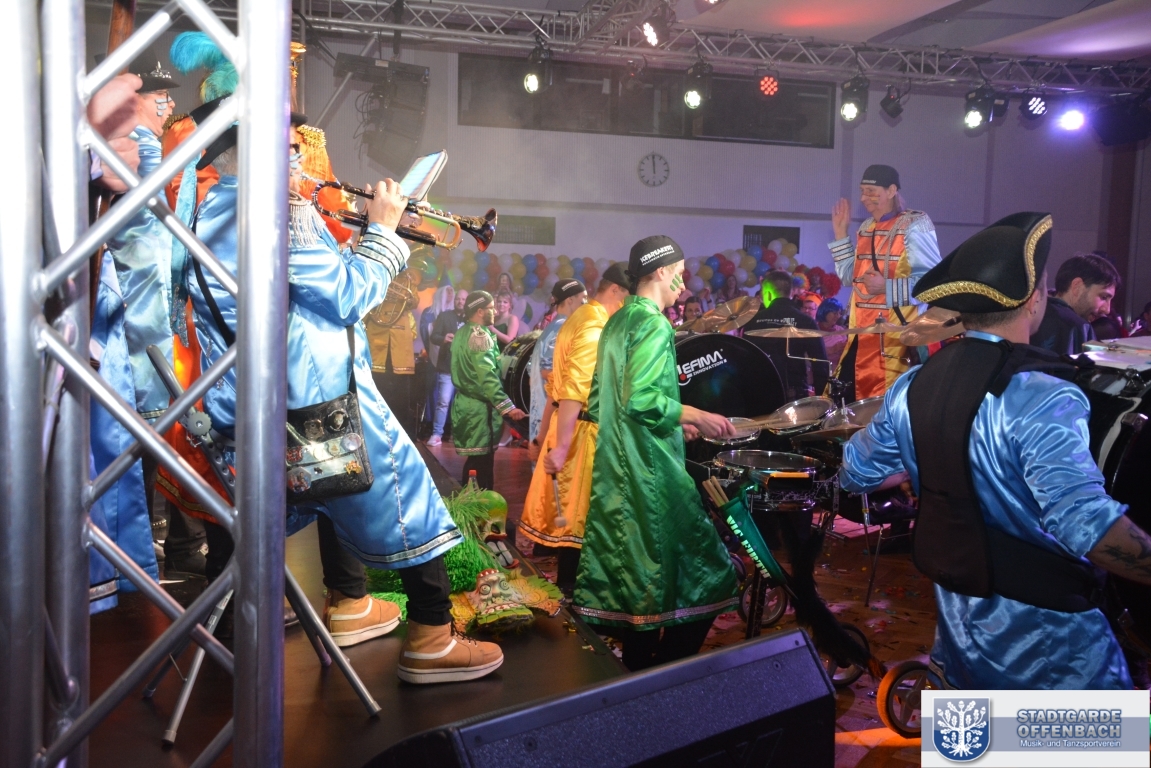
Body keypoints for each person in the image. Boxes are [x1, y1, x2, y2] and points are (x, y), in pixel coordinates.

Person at [188, 126, 502, 681]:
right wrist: (382, 230)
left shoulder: (210, 209)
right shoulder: (277, 213)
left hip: (264, 415)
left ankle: (351, 604)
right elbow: (347, 297)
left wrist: (360, 243)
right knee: (410, 493)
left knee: (347, 497)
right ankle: (431, 638)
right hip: (321, 413)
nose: (300, 160)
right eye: (290, 149)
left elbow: (305, 293)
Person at [840, 212, 1151, 690]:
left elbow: (856, 472)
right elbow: (1085, 526)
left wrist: (925, 462)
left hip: (958, 641)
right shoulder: (1045, 396)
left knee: (974, 739)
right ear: (1034, 300)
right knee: (1104, 738)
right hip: (1053, 654)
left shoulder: (911, 387)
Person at [572, 237, 739, 671]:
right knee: (712, 571)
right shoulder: (652, 323)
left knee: (638, 583)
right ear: (661, 271)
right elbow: (641, 399)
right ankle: (666, 674)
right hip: (651, 471)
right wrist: (697, 414)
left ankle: (637, 677)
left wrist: (673, 422)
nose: (684, 282)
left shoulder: (617, 320)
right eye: (680, 272)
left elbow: (602, 400)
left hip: (618, 468)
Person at [520, 264, 631, 596]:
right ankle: (574, 593)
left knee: (572, 512)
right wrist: (561, 445)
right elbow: (572, 391)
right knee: (581, 515)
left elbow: (555, 389)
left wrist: (543, 437)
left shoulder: (576, 319)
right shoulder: (595, 327)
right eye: (629, 299)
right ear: (616, 291)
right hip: (581, 430)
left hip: (565, 425)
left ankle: (570, 588)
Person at [829, 164, 941, 400]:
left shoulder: (915, 224)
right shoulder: (866, 227)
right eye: (862, 191)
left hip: (898, 342)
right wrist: (840, 234)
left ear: (891, 191)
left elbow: (932, 285)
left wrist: (886, 287)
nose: (863, 198)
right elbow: (849, 277)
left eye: (871, 191)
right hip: (861, 338)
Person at [449, 291, 528, 489]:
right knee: (481, 464)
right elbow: (487, 377)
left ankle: (471, 503)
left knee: (475, 462)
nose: (495, 311)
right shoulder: (480, 336)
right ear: (479, 311)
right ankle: (477, 505)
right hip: (479, 411)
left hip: (467, 404)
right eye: (491, 308)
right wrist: (507, 407)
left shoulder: (462, 332)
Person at [744, 271, 830, 401]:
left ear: (768, 294)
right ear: (791, 292)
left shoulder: (754, 320)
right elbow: (820, 364)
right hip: (795, 395)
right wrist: (821, 401)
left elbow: (746, 360)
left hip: (761, 393)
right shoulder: (806, 321)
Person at [527, 279, 586, 444]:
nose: (586, 303)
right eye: (583, 298)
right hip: (551, 415)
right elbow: (547, 371)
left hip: (543, 412)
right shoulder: (563, 328)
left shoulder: (554, 326)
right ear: (570, 300)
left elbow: (531, 369)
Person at [1029, 253, 1119, 354]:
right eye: (1103, 297)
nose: (1107, 310)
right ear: (1077, 287)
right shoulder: (1079, 327)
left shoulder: (1027, 316)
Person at [366, 304, 418, 436]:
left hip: (396, 364)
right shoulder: (373, 308)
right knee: (377, 404)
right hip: (378, 362)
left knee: (398, 406)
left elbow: (412, 333)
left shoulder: (405, 311)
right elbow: (413, 333)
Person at [427, 289, 468, 447]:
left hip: (465, 369)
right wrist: (444, 338)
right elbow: (433, 337)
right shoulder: (445, 316)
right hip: (447, 367)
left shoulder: (472, 319)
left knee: (463, 404)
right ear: (454, 300)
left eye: (463, 299)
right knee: (443, 402)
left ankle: (459, 435)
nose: (460, 302)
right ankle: (437, 434)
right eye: (458, 299)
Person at [816, 297, 849, 363]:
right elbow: (808, 354)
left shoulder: (840, 330)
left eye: (839, 313)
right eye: (835, 313)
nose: (838, 316)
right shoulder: (813, 330)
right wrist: (832, 349)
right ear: (825, 311)